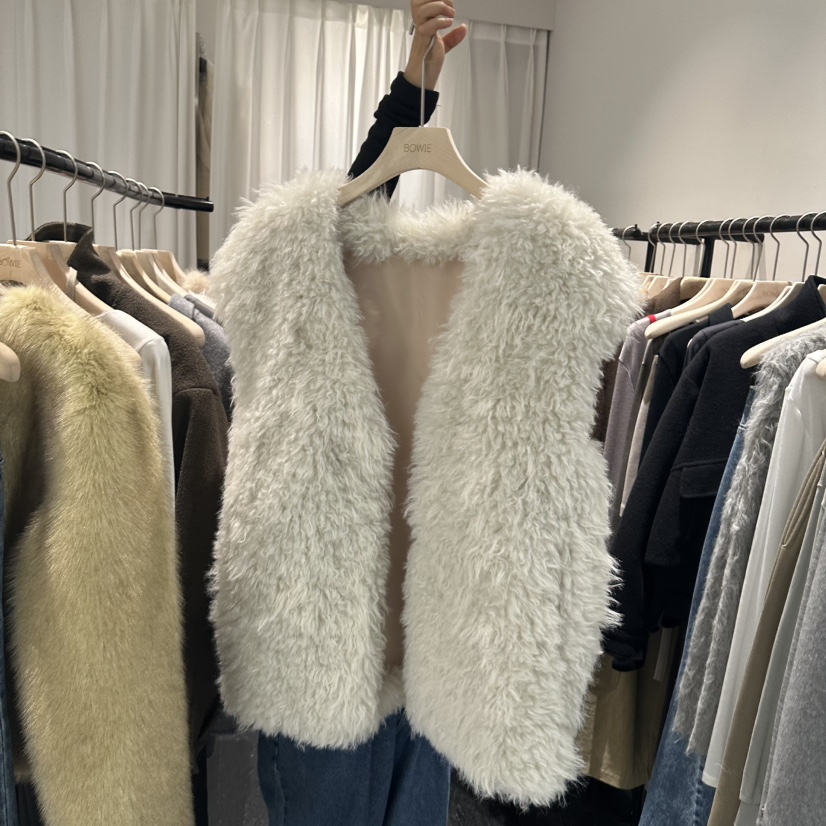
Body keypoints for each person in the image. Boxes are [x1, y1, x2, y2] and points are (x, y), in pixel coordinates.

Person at [254, 3, 468, 826]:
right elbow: (344, 210)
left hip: (439, 627)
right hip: (325, 627)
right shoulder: (308, 278)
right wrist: (410, 98)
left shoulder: (515, 288)